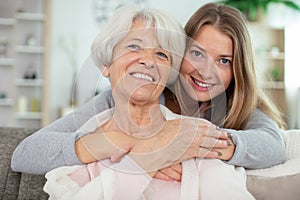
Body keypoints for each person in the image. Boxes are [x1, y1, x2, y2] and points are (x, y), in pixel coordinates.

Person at [11, 2, 285, 181]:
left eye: (224, 60)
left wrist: (186, 143)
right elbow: (26, 153)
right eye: (197, 53)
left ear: (238, 69)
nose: (206, 71)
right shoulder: (124, 99)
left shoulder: (238, 106)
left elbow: (273, 145)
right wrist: (141, 147)